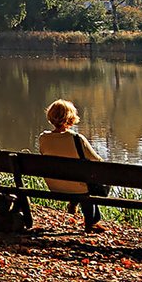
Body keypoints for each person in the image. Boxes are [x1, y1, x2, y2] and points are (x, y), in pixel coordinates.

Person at [38, 99, 106, 232]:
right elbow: (97, 161)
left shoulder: (43, 138)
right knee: (90, 183)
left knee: (80, 179)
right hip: (79, 188)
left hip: (55, 185)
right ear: (70, 117)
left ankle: (76, 204)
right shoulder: (77, 138)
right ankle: (91, 222)